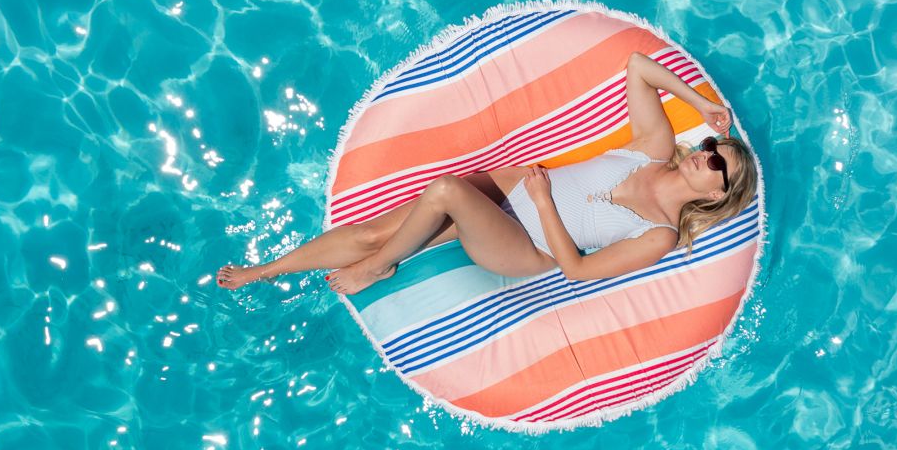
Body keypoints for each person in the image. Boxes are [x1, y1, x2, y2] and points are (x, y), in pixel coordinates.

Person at [217, 51, 758, 295]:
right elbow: (639, 68)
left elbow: (576, 271)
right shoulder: (654, 149)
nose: (704, 152)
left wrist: (544, 202)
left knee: (446, 191)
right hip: (518, 190)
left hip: (526, 244)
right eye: (711, 145)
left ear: (717, 194)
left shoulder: (660, 234)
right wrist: (701, 104)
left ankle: (377, 269)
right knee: (375, 228)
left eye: (717, 162)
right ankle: (267, 270)